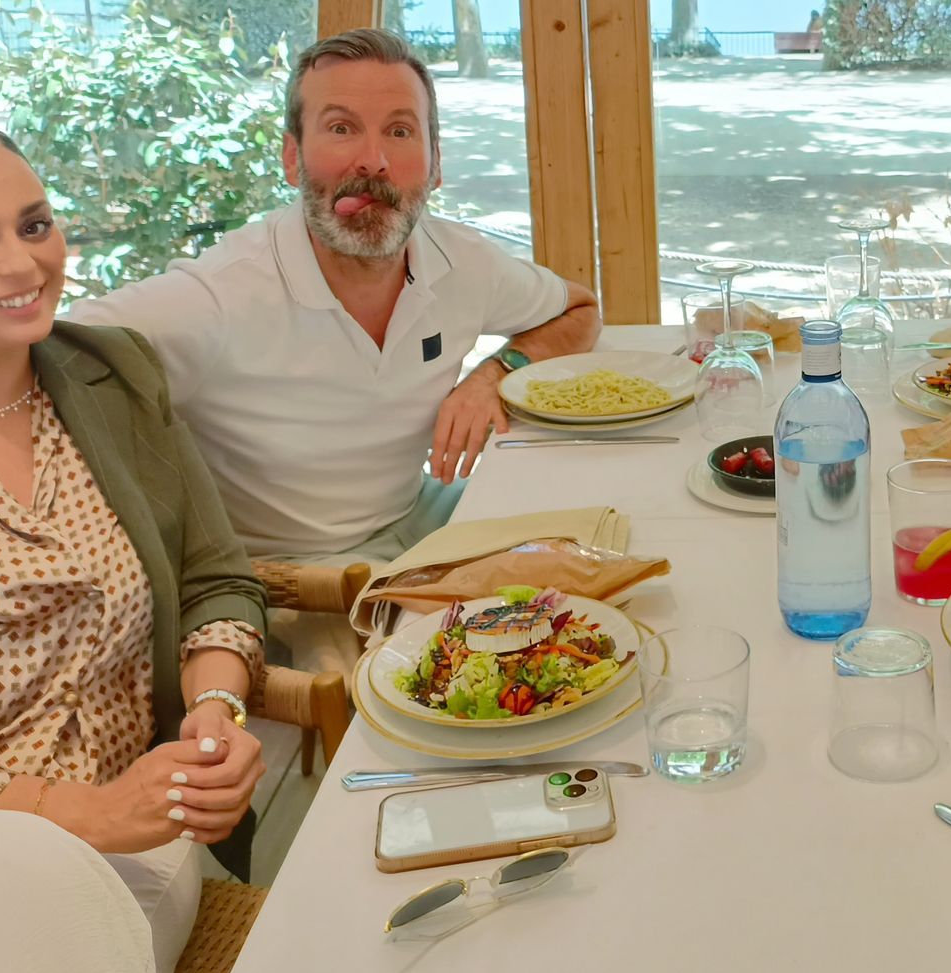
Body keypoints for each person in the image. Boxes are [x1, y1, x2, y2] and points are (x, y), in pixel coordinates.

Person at [0, 116, 268, 973]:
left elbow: (216, 582)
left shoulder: (116, 375)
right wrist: (62, 812)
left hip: (136, 835)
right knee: (31, 888)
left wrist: (213, 712)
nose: (21, 265)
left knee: (65, 942)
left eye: (34, 225)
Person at [73, 28, 601, 577]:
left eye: (399, 131)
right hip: (292, 582)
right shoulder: (216, 297)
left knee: (599, 545)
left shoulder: (463, 261)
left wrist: (496, 372)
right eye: (341, 128)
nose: (372, 161)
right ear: (292, 158)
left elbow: (580, 310)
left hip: (421, 517)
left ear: (435, 163)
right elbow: (33, 357)